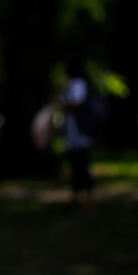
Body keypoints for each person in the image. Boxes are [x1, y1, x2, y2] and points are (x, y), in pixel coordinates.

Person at [60, 59, 95, 209]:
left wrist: (62, 103)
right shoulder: (76, 84)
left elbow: (76, 104)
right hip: (75, 134)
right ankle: (77, 199)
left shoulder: (78, 84)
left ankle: (87, 201)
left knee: (81, 167)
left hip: (79, 133)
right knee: (77, 167)